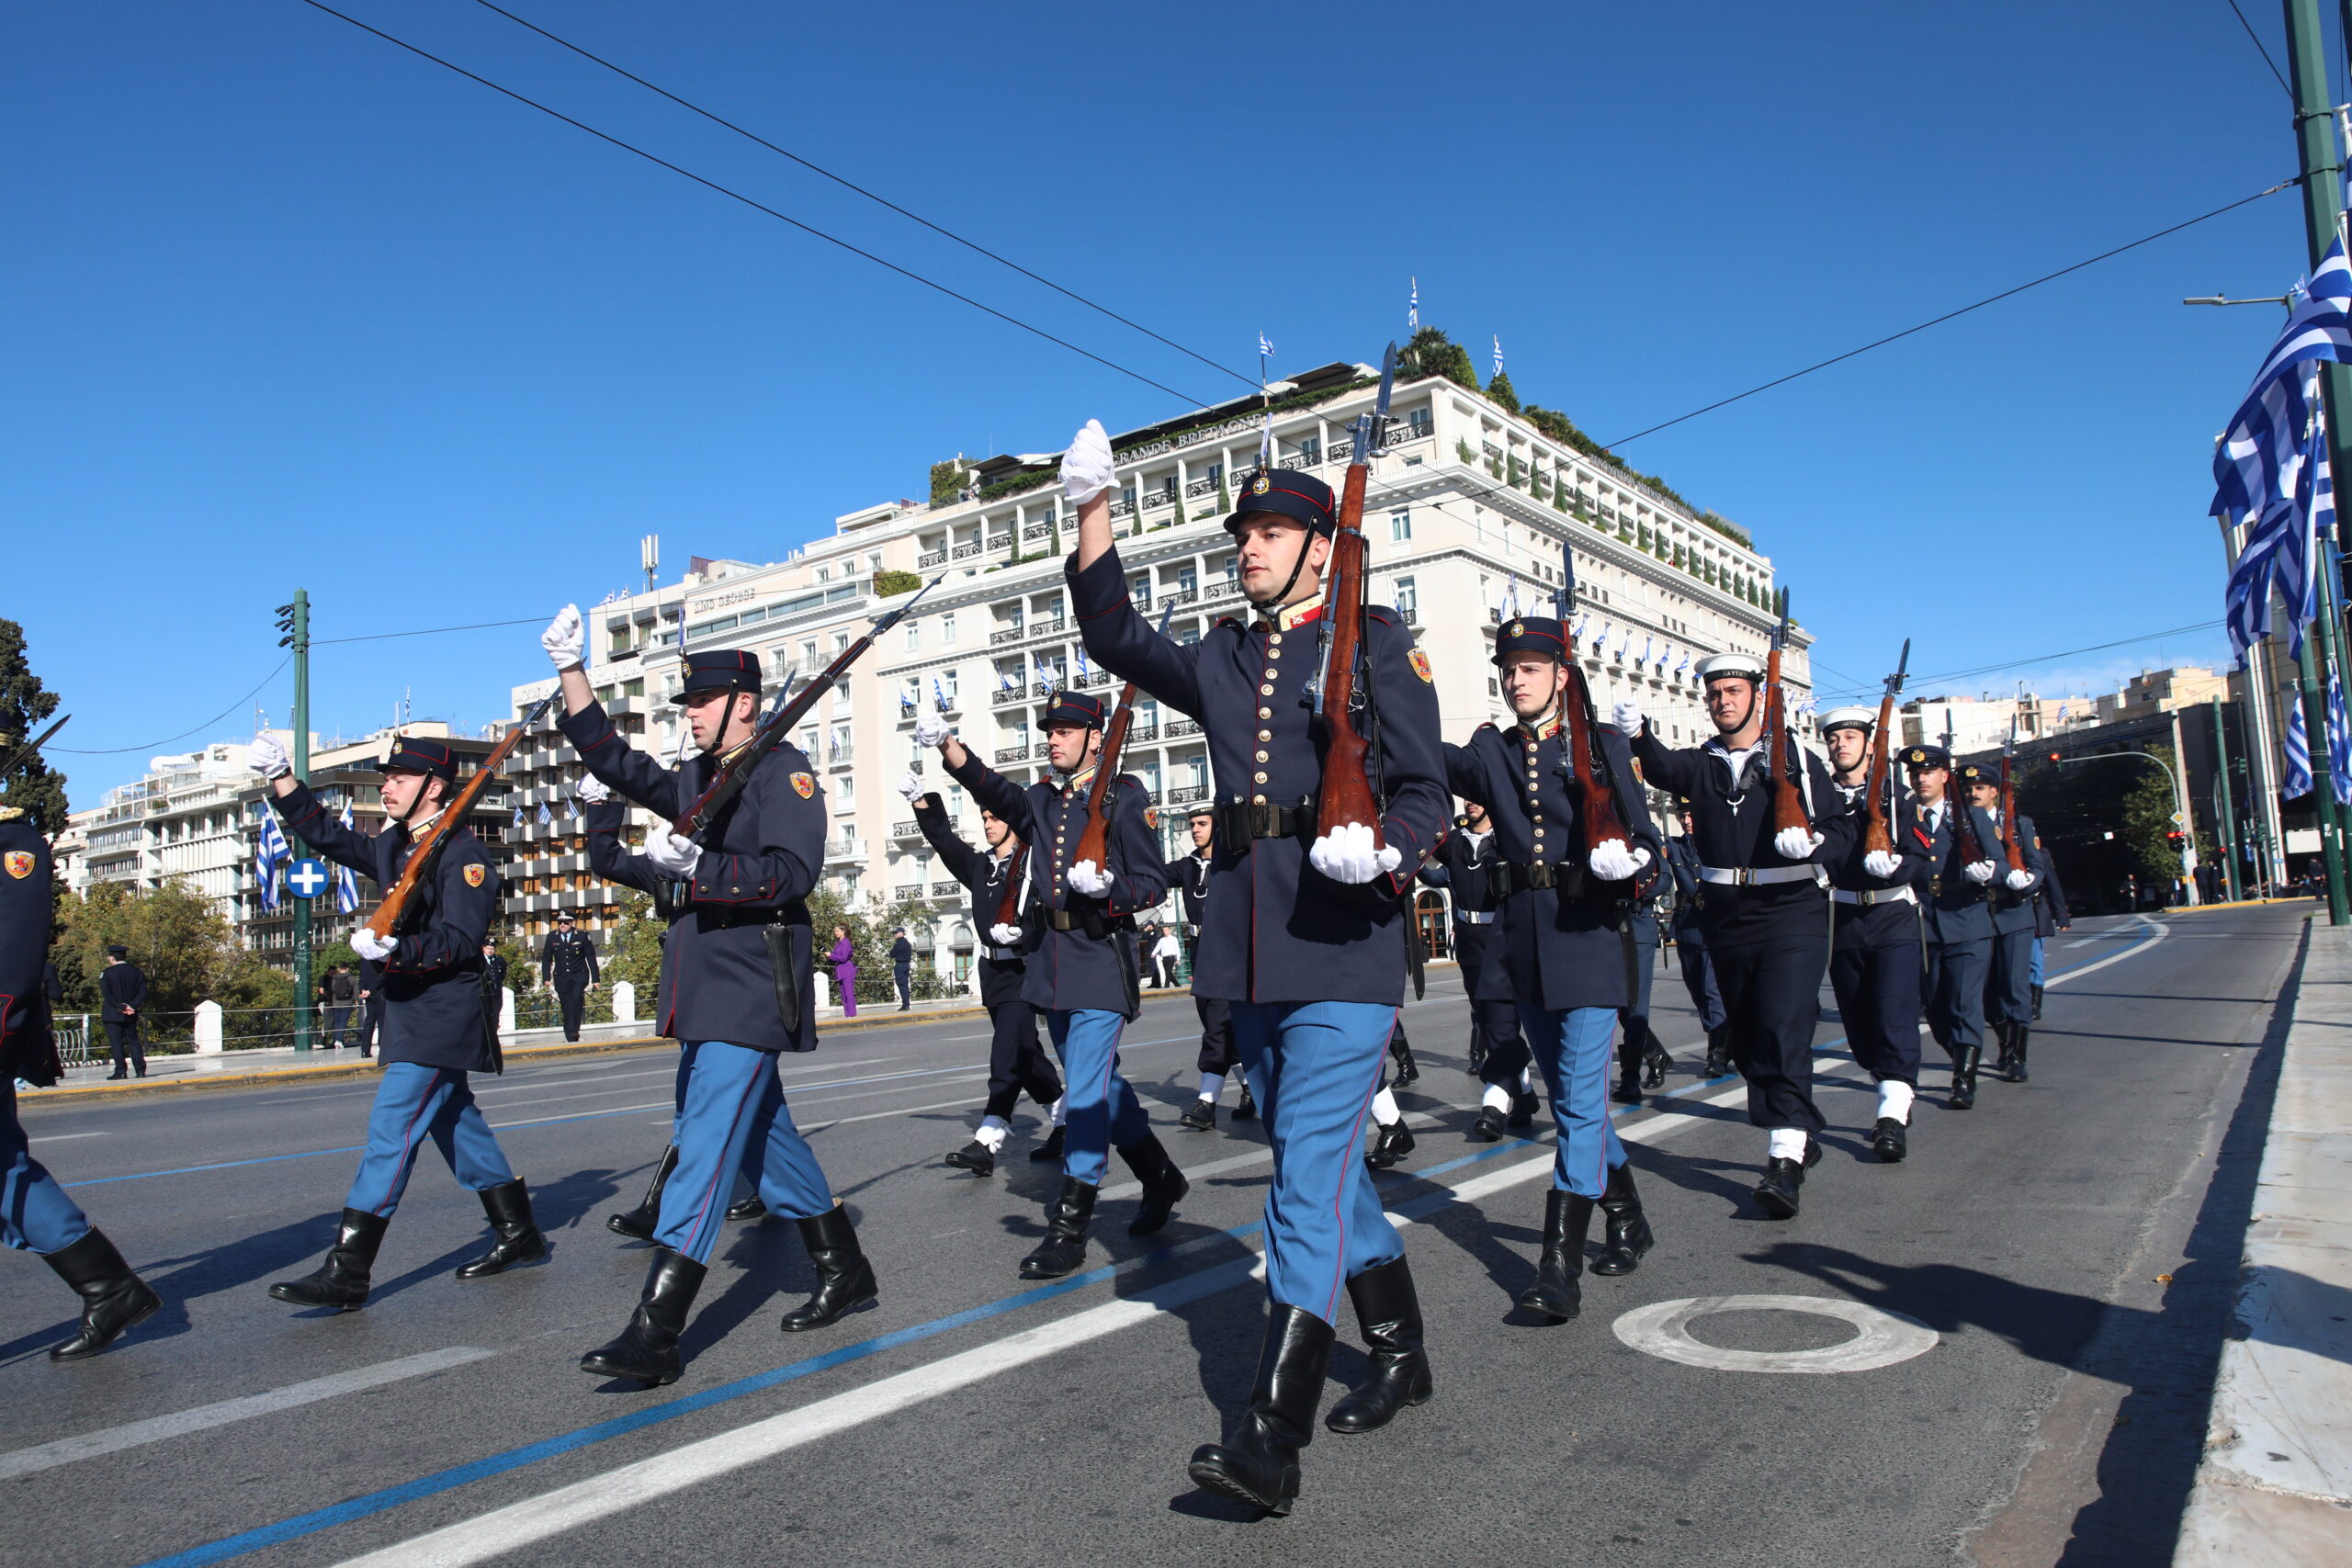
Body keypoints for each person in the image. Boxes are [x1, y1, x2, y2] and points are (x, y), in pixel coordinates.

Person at [1063, 421, 1449, 1516]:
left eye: (1272, 532)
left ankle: (1270, 1435)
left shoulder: (1377, 644)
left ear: (1323, 547)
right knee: (1317, 1162)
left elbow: (1424, 789)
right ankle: (1401, 1347)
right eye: (1244, 532)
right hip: (1248, 947)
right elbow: (1113, 636)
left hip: (1344, 941)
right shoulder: (1226, 655)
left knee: (1302, 1178)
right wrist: (1093, 510)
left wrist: (1389, 851)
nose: (1249, 547)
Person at [541, 615, 880, 1386]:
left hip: (752, 984)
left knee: (704, 1144)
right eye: (687, 702)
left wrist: (703, 869)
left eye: (701, 701)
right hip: (706, 987)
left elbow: (793, 873)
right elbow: (612, 757)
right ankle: (845, 1267)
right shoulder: (698, 776)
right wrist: (572, 671)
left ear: (745, 704)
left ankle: (657, 1330)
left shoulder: (784, 772)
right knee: (763, 1138)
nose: (689, 713)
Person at [249, 731, 546, 1314]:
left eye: (399, 779)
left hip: (442, 1012)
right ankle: (519, 1233)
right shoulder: (397, 844)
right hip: (409, 1008)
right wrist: (282, 778)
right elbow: (326, 834)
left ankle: (348, 1270)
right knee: (455, 1125)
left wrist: (397, 950)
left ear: (434, 788)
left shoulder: (464, 855)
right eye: (385, 779)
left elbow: (461, 939)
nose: (386, 788)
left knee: (392, 1128)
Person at [920, 683, 1184, 1279]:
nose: (1052, 740)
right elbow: (994, 790)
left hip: (1100, 960)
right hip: (1053, 962)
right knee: (1102, 1086)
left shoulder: (1125, 796)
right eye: (1049, 732)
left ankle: (1069, 1228)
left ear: (1095, 737)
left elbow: (1151, 883)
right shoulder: (1041, 798)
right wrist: (948, 746)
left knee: (1085, 1093)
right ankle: (1160, 1174)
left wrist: (1111, 889)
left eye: (1064, 731)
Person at [1445, 615, 1664, 1319]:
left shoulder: (1602, 748)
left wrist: (1632, 864)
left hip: (1589, 943)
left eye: (1531, 668)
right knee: (1576, 1101)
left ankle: (1558, 1269)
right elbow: (1434, 759)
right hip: (1524, 949)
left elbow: (1650, 848)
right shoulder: (1494, 751)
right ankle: (1627, 1214)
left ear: (1561, 676)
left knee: (1576, 1105)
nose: (1517, 680)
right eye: (1509, 669)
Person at [1619, 649, 1855, 1220]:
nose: (1723, 701)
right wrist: (1639, 735)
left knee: (1783, 1023)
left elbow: (1842, 826)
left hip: (1791, 910)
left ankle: (1784, 1155)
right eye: (1715, 693)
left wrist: (1819, 843)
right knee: (1745, 1040)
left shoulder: (1795, 760)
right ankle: (1800, 1130)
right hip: (1726, 915)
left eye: (1734, 691)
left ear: (1757, 696)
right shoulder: (1701, 763)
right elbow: (1661, 768)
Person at [3, 803, 162, 1359]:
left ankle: (111, 1288)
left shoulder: (10, 841)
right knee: (4, 1170)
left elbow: (13, 953)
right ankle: (111, 1288)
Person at [580, 773, 769, 1238]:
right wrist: (601, 805)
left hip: (738, 1001)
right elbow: (607, 861)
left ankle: (664, 1212)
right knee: (744, 1110)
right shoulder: (669, 862)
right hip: (693, 1005)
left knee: (705, 1108)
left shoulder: (731, 857)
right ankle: (797, 1202)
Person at [906, 786, 1065, 1175]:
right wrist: (921, 802)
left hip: (1025, 971)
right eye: (984, 818)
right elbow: (943, 841)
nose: (987, 824)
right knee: (1026, 1056)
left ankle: (987, 1139)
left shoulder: (1036, 863)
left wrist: (1026, 934)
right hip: (994, 974)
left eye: (995, 818)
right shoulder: (981, 867)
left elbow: (1054, 912)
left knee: (1007, 1053)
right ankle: (1066, 1121)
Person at [1818, 707, 1933, 1162]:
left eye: (1850, 737)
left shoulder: (1896, 796)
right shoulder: (1819, 798)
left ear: (1869, 745)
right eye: (1833, 739)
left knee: (1894, 1014)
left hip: (1893, 917)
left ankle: (1890, 1116)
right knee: (1861, 1029)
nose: (1840, 745)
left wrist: (1896, 868)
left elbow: (1920, 851)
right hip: (1842, 918)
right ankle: (1892, 1087)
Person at [1410, 802, 1527, 1154]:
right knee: (1487, 1019)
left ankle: (1494, 1105)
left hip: (1502, 937)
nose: (1471, 802)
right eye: (1468, 797)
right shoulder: (1455, 841)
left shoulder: (1508, 838)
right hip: (1469, 940)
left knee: (1501, 1022)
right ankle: (1524, 1094)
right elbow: (1424, 843)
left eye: (1478, 795)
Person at [1904, 746, 2003, 1110]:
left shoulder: (1970, 818)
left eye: (1929, 772)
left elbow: (2004, 864)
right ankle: (1961, 1053)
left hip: (1966, 920)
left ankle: (1963, 1079)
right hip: (1924, 925)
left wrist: (1989, 872)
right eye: (1916, 774)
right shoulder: (1903, 816)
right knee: (1935, 1008)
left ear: (1945, 776)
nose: (1921, 779)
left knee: (1963, 1002)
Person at [1170, 809, 1254, 1130]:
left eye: (1202, 824)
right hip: (1200, 951)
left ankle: (1207, 1103)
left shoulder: (1232, 862)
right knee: (1216, 1024)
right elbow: (1151, 874)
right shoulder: (1188, 865)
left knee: (1217, 1027)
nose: (1194, 829)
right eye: (1192, 825)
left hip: (1229, 951)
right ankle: (1251, 1088)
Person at [1962, 763, 2043, 1084]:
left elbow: (2038, 866)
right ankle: (2003, 1040)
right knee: (1986, 990)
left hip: (2013, 913)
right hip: (1977, 914)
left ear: (1995, 792)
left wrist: (2028, 881)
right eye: (1969, 789)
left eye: (1980, 788)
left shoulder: (2019, 824)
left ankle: (2015, 1057)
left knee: (2014, 987)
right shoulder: (1961, 825)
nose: (1973, 793)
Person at [1662, 800, 1731, 1077]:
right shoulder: (1675, 846)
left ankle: (1717, 1054)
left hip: (1715, 924)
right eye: (1682, 816)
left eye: (1691, 815)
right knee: (1697, 989)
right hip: (1688, 926)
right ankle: (1725, 1037)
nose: (1687, 821)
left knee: (1712, 989)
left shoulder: (1718, 843)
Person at [538, 912, 600, 1042]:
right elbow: (546, 958)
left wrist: (596, 979)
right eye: (560, 922)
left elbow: (590, 956)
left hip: (579, 975)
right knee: (566, 1006)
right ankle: (570, 1034)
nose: (562, 925)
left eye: (566, 922)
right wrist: (546, 977)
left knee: (576, 998)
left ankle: (574, 1030)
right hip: (561, 977)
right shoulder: (552, 937)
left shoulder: (582, 935)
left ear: (573, 923)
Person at [2030, 842, 2071, 1021]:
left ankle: (2034, 1003)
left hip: (2035, 910)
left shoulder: (2041, 854)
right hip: (2007, 913)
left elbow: (2053, 884)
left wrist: (2062, 915)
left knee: (2034, 959)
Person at [98, 945, 146, 1080]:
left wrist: (120, 1006)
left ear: (112, 958)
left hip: (112, 1013)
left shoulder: (107, 973)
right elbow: (142, 993)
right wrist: (131, 1006)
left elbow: (107, 994)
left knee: (116, 1044)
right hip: (130, 1013)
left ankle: (121, 1071)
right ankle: (140, 1070)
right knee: (134, 1042)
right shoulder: (137, 973)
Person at [323, 963, 357, 1049]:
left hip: (336, 1003)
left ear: (340, 969)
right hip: (347, 1003)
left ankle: (336, 1039)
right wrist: (355, 1000)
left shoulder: (334, 978)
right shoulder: (352, 978)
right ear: (348, 969)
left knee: (337, 1022)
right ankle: (338, 1040)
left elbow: (332, 989)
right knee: (343, 1021)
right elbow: (356, 990)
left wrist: (329, 1001)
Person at [355, 955, 382, 1059]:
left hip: (367, 994)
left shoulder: (364, 960)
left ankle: (365, 1050)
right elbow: (382, 977)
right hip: (378, 993)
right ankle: (383, 1048)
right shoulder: (380, 959)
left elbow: (362, 977)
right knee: (382, 1022)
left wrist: (362, 990)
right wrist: (371, 990)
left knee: (369, 1021)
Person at [830, 926, 857, 1019]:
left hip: (847, 970)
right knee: (843, 995)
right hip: (840, 970)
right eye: (834, 931)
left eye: (837, 931)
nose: (835, 933)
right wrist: (829, 956)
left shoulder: (846, 942)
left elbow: (843, 958)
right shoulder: (838, 943)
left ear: (843, 931)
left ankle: (852, 1014)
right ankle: (847, 1015)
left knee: (849, 993)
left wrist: (831, 955)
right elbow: (836, 957)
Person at [890, 928, 914, 1011]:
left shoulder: (898, 944)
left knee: (901, 985)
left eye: (896, 933)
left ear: (901, 933)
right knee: (905, 985)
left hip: (900, 965)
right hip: (907, 965)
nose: (895, 935)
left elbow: (892, 954)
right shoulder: (908, 944)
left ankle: (905, 1005)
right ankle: (907, 1004)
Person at [1152, 924, 1182, 990]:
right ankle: (1177, 985)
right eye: (1163, 930)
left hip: (1171, 957)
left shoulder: (1174, 939)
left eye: (1165, 930)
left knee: (1168, 973)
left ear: (1169, 931)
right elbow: (1158, 947)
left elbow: (1177, 949)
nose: (1164, 932)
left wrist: (1178, 959)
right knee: (1169, 973)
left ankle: (1166, 987)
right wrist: (1153, 953)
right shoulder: (1162, 939)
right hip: (1164, 958)